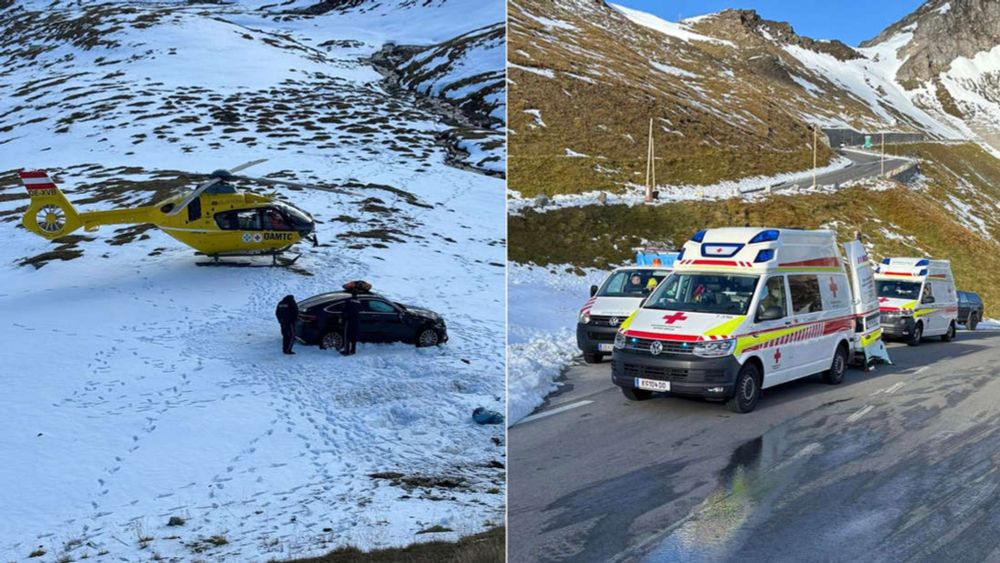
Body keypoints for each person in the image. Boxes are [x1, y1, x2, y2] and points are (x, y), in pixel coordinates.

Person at [341, 292, 362, 356]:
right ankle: (353, 350)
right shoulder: (359, 302)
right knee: (354, 336)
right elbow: (360, 310)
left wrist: (343, 317)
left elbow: (344, 310)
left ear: (352, 295)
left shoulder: (348, 301)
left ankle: (346, 351)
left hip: (349, 320)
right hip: (356, 321)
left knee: (347, 336)